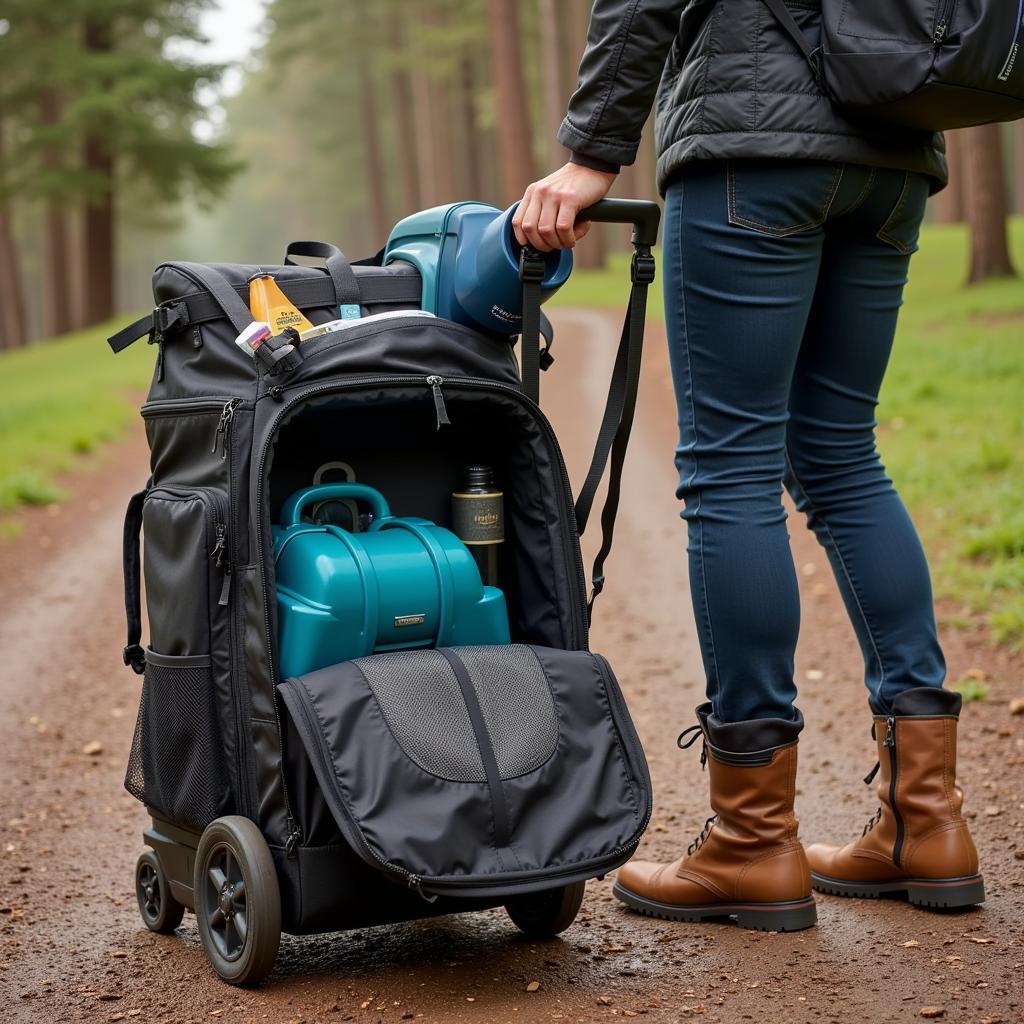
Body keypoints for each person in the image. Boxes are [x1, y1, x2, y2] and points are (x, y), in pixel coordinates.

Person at [513, 0, 983, 932]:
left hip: (754, 146)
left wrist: (591, 152)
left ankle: (752, 839)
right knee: (843, 456)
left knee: (730, 468)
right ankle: (927, 823)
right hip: (893, 147)